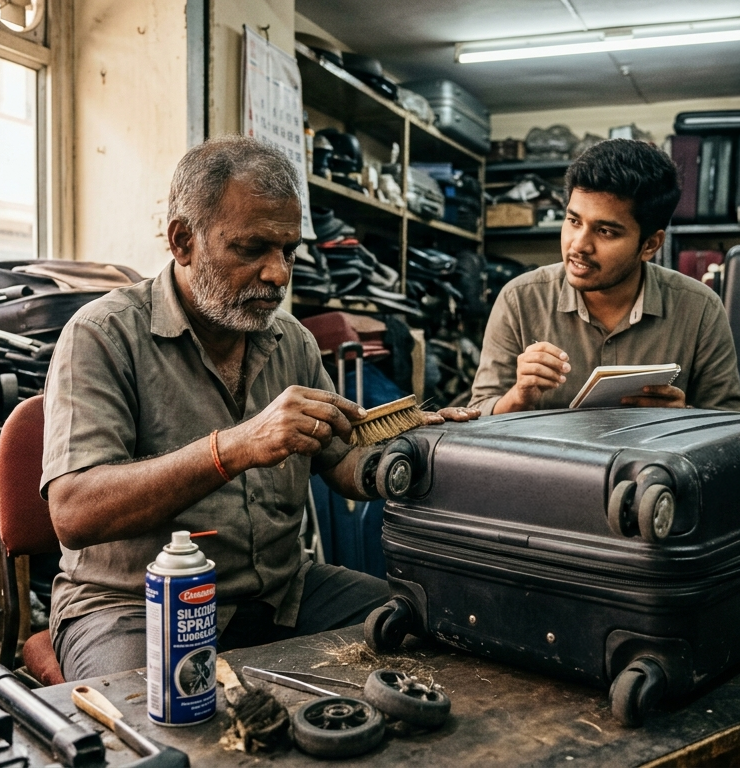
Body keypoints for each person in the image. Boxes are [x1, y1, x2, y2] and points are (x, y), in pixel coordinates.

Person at [42, 136, 476, 680]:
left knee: (440, 633)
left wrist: (416, 451)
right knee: (152, 734)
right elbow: (74, 513)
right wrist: (235, 448)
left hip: (281, 594)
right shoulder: (102, 336)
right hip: (134, 606)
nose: (279, 274)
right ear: (183, 240)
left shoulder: (289, 340)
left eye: (289, 251)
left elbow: (340, 459)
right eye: (252, 250)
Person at [468, 139, 740, 414]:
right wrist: (519, 397)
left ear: (650, 245)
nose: (579, 245)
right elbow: (478, 413)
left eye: (606, 231)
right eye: (574, 221)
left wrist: (684, 417)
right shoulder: (519, 299)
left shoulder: (699, 308)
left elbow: (733, 426)